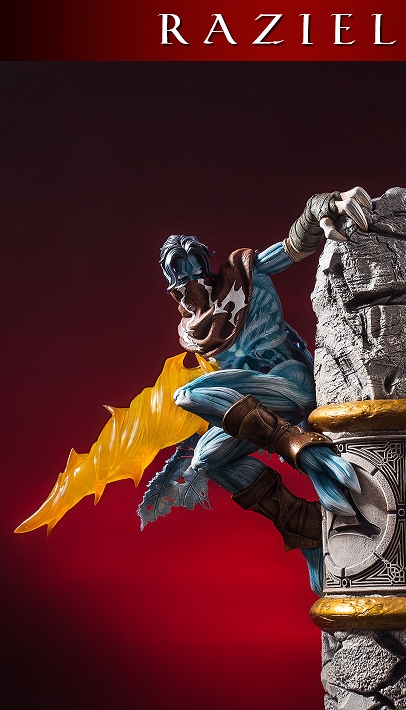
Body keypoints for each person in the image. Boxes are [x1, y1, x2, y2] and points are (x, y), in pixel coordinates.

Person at [155, 188, 372, 592]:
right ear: (171, 286)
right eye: (178, 274)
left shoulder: (245, 276)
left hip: (290, 383)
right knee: (207, 459)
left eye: (193, 267)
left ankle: (303, 450)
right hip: (259, 407)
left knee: (189, 395)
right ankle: (304, 526)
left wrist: (320, 208)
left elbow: (293, 246)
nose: (188, 280)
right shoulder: (193, 329)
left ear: (206, 265)